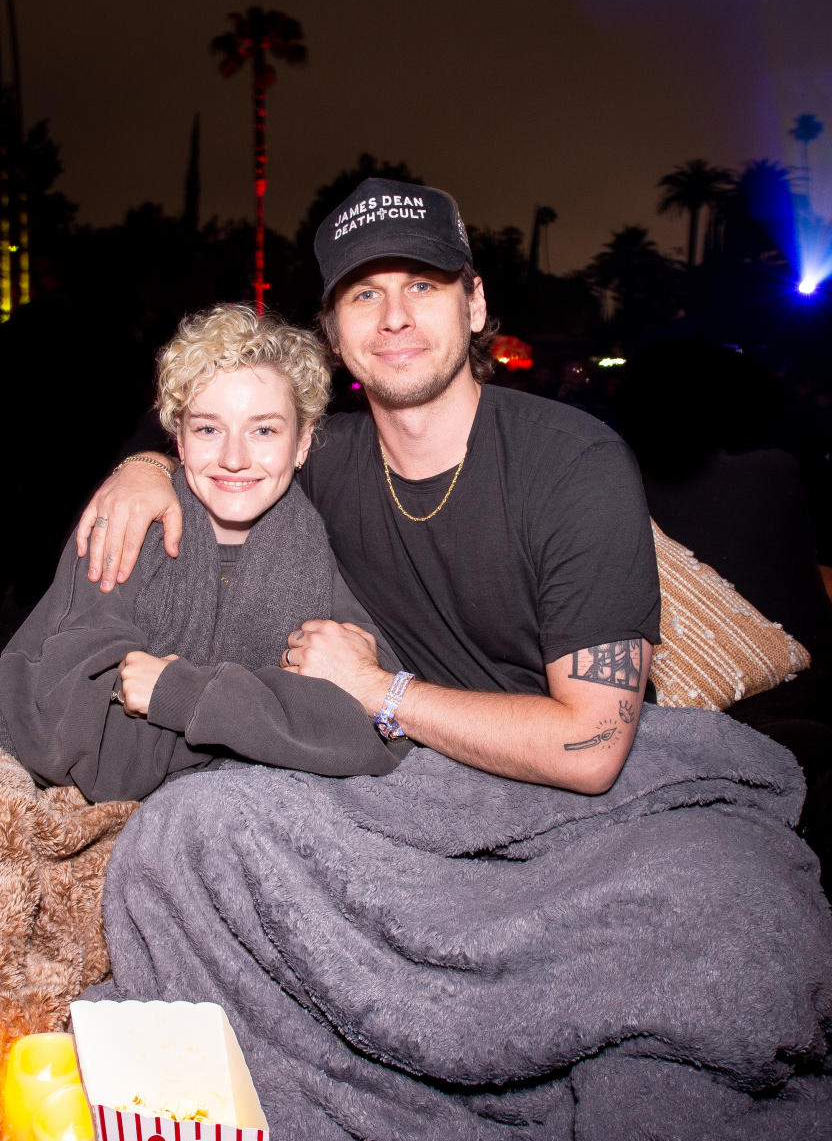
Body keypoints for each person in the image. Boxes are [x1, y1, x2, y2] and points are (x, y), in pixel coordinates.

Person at [79, 179, 661, 794]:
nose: (395, 318)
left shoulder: (575, 465)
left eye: (422, 285)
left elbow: (589, 751)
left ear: (475, 304)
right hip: (393, 773)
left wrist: (375, 688)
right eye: (364, 294)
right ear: (333, 333)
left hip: (542, 785)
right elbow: (205, 424)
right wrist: (142, 467)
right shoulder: (319, 455)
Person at [0, 304, 400, 797]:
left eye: (264, 429)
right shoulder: (128, 528)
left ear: (303, 441)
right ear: (179, 438)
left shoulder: (313, 554)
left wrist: (187, 695)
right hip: (2, 753)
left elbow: (377, 732)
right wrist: (273, 725)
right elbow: (92, 755)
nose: (234, 458)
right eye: (208, 428)